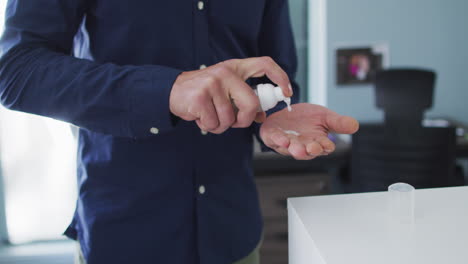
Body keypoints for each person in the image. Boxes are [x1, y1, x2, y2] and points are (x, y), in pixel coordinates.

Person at [0, 1, 358, 264]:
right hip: (125, 234)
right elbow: (16, 72)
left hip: (233, 233)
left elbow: (272, 74)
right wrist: (166, 90)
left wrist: (277, 113)